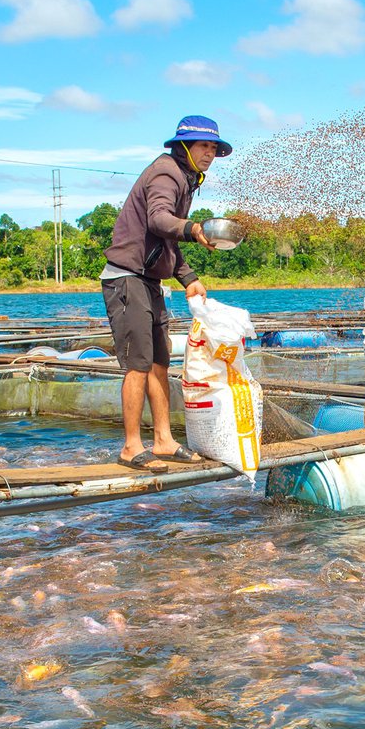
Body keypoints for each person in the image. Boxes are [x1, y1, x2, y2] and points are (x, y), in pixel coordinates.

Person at [101, 115, 231, 470]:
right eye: (203, 146)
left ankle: (162, 440)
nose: (209, 154)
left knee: (160, 362)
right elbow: (159, 220)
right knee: (138, 364)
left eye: (214, 148)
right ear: (184, 145)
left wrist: (188, 276)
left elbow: (165, 241)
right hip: (127, 278)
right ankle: (131, 446)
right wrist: (193, 227)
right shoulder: (166, 173)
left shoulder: (187, 180)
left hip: (150, 281)